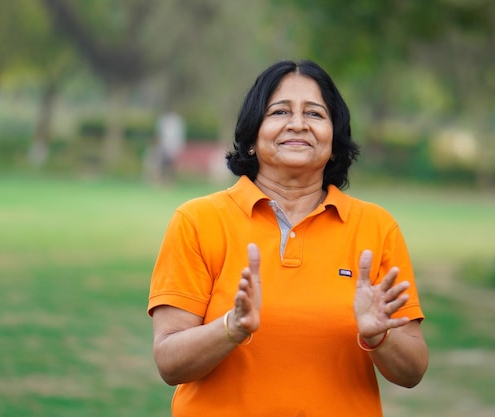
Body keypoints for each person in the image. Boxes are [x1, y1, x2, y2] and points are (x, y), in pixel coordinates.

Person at [148, 59, 428, 417]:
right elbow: (169, 362)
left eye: (314, 114)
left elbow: (414, 371)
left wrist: (380, 338)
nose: (298, 124)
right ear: (251, 137)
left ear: (335, 139)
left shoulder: (376, 227)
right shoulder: (198, 221)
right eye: (279, 112)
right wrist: (230, 329)